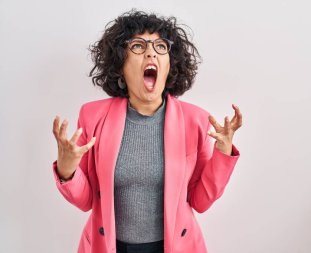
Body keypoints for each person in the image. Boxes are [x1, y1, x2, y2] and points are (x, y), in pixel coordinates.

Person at [51, 9, 242, 253]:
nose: (151, 51)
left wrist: (223, 153)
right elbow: (86, 201)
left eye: (161, 46)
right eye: (138, 46)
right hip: (108, 247)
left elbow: (200, 202)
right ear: (121, 63)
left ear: (170, 63)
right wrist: (67, 170)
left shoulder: (195, 120)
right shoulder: (92, 116)